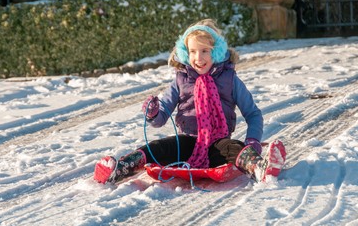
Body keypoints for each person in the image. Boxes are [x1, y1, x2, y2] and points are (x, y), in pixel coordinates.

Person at [94, 19, 285, 185]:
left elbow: (252, 113)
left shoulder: (230, 80)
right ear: (185, 53)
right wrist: (152, 113)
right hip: (189, 142)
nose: (198, 58)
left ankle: (259, 167)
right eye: (192, 51)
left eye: (204, 51)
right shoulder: (181, 81)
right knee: (161, 146)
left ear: (216, 52)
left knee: (234, 148)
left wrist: (252, 141)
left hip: (218, 143)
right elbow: (161, 118)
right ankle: (120, 169)